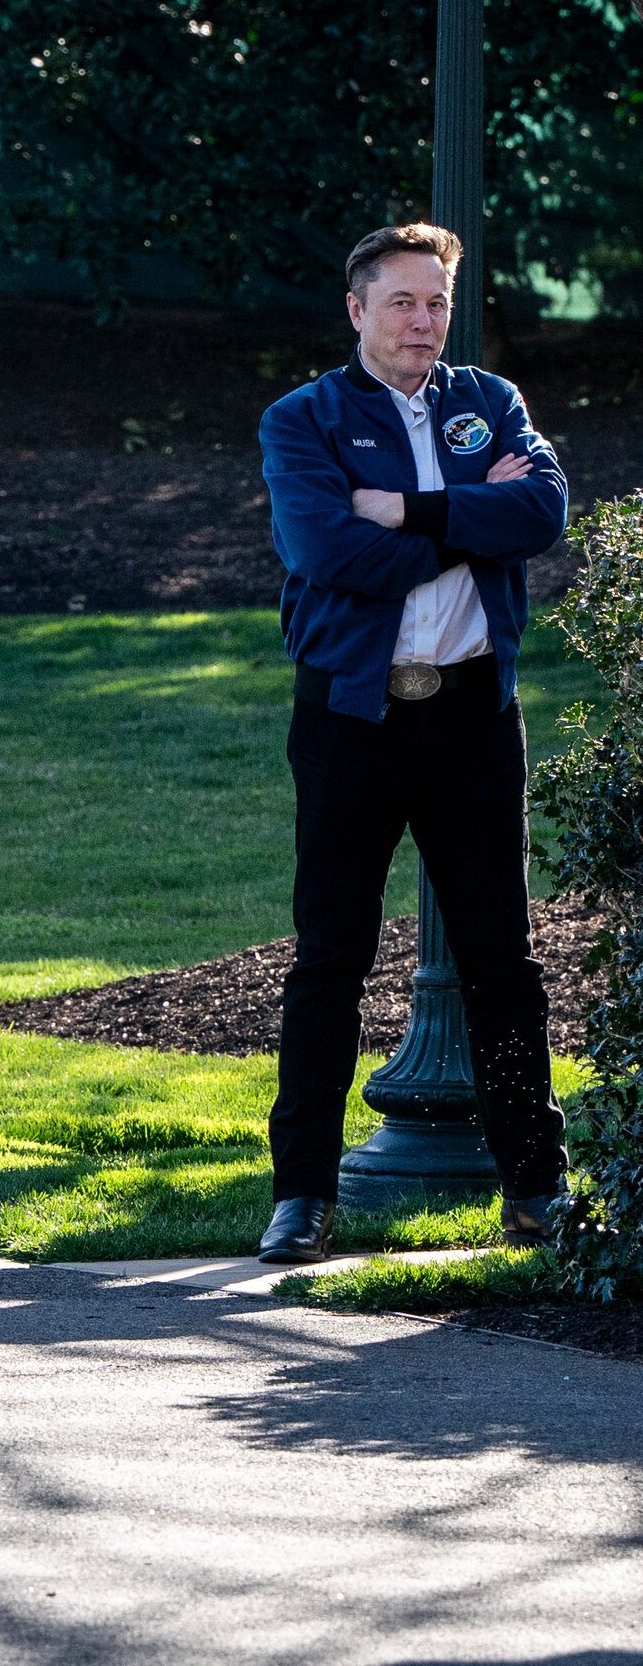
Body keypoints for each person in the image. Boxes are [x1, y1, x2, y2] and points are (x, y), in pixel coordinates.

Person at [256, 222, 570, 1266]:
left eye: (437, 303)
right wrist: (469, 521)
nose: (423, 322)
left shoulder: (490, 402)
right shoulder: (304, 419)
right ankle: (303, 1196)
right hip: (353, 719)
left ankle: (536, 1188)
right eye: (402, 302)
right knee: (330, 958)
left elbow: (543, 512)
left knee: (502, 962)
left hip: (474, 719)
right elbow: (328, 549)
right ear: (357, 310)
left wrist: (409, 510)